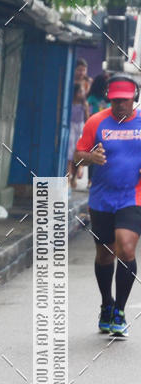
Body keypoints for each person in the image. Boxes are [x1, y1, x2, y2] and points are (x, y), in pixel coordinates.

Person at [73, 74, 141, 337]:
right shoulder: (96, 121)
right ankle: (106, 304)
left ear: (134, 97)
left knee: (125, 246)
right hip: (101, 197)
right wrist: (90, 157)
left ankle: (120, 311)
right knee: (105, 254)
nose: (120, 105)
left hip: (132, 196)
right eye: (115, 101)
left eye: (124, 100)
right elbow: (78, 156)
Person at [68, 83, 89, 189]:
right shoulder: (69, 103)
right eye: (80, 91)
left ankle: (74, 177)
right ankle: (68, 177)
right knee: (69, 154)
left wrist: (85, 109)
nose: (82, 93)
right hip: (70, 128)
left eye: (82, 91)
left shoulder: (84, 104)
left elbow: (87, 118)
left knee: (77, 153)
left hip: (80, 128)